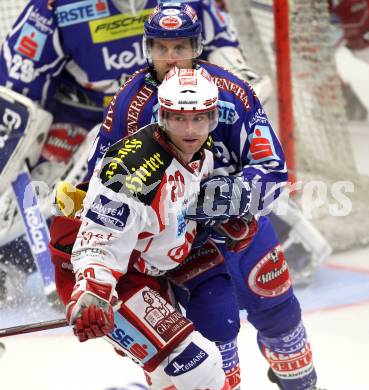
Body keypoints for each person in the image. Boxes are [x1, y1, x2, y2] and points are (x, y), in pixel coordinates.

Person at [84, 3, 323, 389]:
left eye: (180, 47)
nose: (171, 58)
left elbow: (273, 169)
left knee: (277, 306)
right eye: (161, 48)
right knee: (217, 324)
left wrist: (234, 194)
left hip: (240, 228)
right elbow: (102, 188)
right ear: (148, 49)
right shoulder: (130, 106)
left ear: (197, 46)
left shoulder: (232, 92)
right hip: (180, 242)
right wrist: (110, 275)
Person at [0, 0, 268, 301]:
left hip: (171, 110)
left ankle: (203, 251)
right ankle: (19, 257)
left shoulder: (187, 5)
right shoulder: (55, 6)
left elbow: (222, 46)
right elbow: (17, 87)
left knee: (218, 167)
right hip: (77, 115)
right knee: (63, 190)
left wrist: (242, 87)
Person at [49, 66, 230, 390]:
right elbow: (99, 241)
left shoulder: (201, 151)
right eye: (178, 118)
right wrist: (93, 293)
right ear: (163, 117)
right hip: (106, 278)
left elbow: (177, 204)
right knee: (199, 369)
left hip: (143, 269)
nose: (190, 129)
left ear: (212, 117)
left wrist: (218, 217)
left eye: (200, 118)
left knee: (168, 377)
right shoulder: (134, 172)